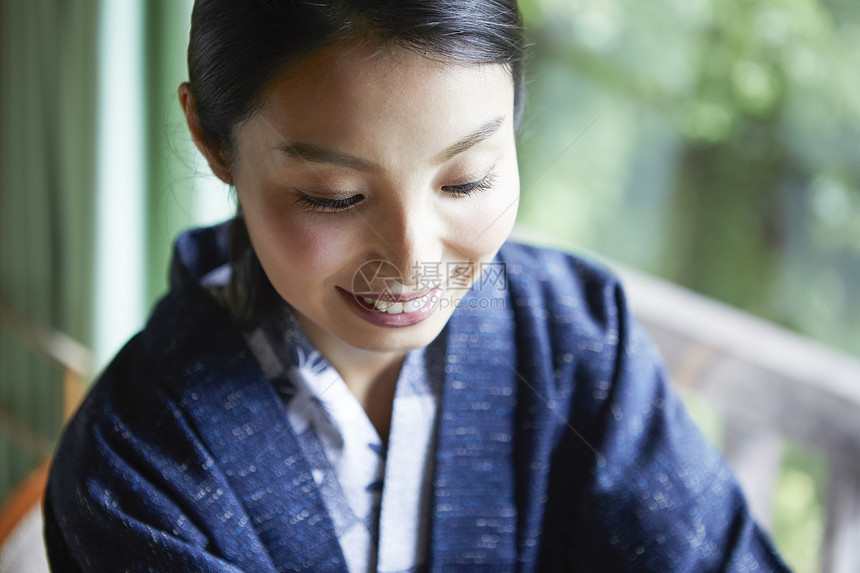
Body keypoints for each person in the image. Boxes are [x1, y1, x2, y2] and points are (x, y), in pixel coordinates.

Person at [44, 1, 790, 571]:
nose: (411, 261)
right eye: (334, 196)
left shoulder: (580, 338)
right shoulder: (132, 472)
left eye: (467, 181)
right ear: (212, 138)